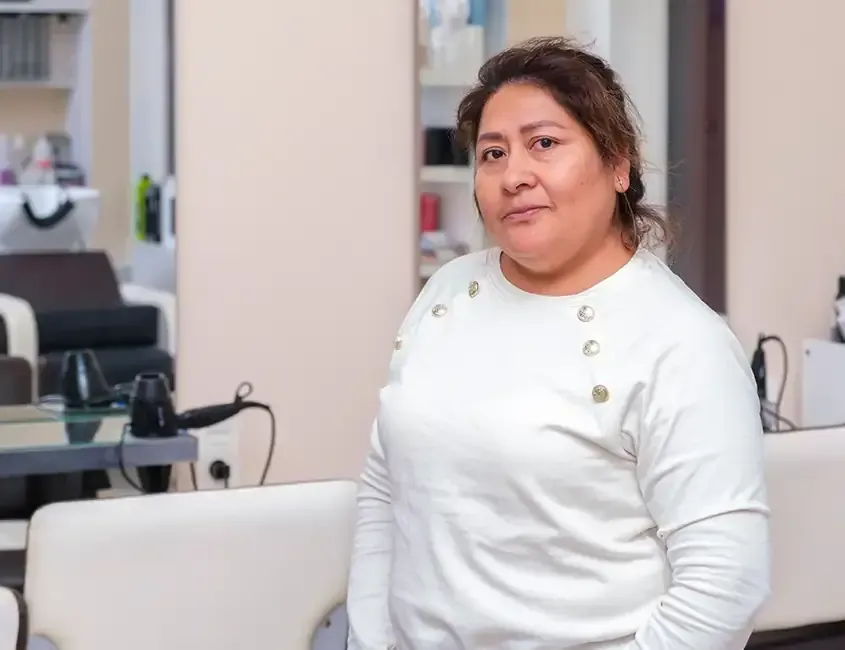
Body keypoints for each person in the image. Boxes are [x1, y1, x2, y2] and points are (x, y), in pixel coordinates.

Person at [347, 37, 770, 650]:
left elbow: (723, 587)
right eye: (493, 154)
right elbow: (385, 489)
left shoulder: (682, 343)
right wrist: (369, 640)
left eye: (544, 143)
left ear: (619, 164)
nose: (514, 176)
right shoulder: (447, 291)